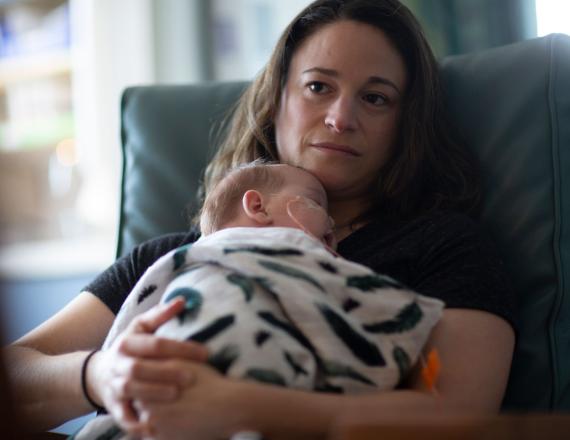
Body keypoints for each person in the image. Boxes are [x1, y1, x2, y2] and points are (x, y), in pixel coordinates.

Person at [4, 0, 516, 439]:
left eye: (375, 98)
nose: (341, 117)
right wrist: (102, 375)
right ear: (276, 102)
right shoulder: (174, 257)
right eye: (319, 87)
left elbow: (457, 417)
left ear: (406, 127)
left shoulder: (444, 247)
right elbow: (16, 373)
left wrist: (239, 405)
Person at [76, 161, 444, 439]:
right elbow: (365, 310)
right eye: (316, 203)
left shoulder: (174, 262)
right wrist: (105, 372)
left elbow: (137, 306)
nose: (332, 221)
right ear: (258, 207)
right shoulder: (294, 248)